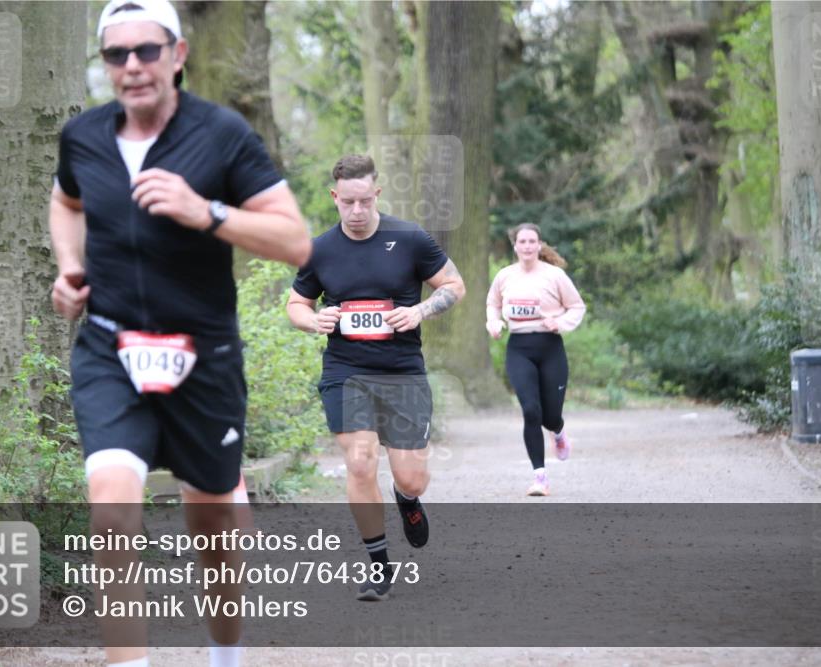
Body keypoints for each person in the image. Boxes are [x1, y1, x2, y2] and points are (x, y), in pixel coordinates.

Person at [48, 1, 310, 665]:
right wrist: (70, 266)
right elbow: (66, 199)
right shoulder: (83, 137)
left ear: (178, 54)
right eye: (116, 55)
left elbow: (296, 239)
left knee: (216, 526)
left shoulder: (220, 135)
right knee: (111, 504)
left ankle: (226, 653)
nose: (132, 67)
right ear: (105, 62)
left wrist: (208, 211)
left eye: (147, 51)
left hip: (203, 354)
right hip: (110, 345)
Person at [286, 155, 465, 601]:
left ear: (377, 194)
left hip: (403, 371)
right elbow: (295, 304)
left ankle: (407, 501)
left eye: (365, 200)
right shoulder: (320, 249)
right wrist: (315, 321)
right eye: (348, 202)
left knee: (411, 479)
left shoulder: (409, 239)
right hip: (347, 372)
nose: (358, 210)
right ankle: (380, 566)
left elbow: (454, 286)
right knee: (360, 462)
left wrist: (420, 309)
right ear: (335, 198)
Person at [486, 223, 585, 497]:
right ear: (515, 246)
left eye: (532, 241)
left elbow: (577, 306)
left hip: (550, 346)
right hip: (519, 348)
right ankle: (540, 477)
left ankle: (559, 431)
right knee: (530, 410)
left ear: (540, 245)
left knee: (550, 416)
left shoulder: (555, 276)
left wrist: (560, 322)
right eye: (522, 241)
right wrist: (493, 323)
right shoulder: (505, 276)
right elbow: (492, 303)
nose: (527, 246)